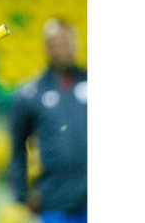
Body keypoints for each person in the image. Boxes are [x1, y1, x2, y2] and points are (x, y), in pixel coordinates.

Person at [7, 18, 87, 223]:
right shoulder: (31, 94)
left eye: (66, 42)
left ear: (75, 44)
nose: (62, 48)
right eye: (56, 43)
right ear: (46, 47)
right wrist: (22, 193)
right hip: (55, 200)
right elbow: (17, 145)